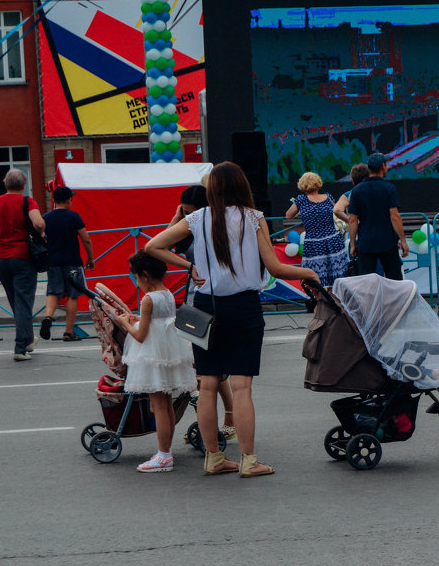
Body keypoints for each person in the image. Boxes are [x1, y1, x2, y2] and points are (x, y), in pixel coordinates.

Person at [143, 161, 322, 477]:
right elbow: (276, 268)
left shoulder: (198, 218)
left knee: (208, 384)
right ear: (242, 187)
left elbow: (152, 245)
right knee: (241, 387)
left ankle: (213, 458)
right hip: (244, 307)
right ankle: (249, 460)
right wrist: (309, 272)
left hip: (205, 307)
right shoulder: (253, 218)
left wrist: (189, 268)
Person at [109, 252, 196, 472]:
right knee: (165, 405)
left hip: (153, 355)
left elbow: (140, 336)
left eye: (136, 278)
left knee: (159, 405)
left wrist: (124, 323)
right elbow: (162, 321)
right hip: (167, 350)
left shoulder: (147, 299)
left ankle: (164, 455)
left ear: (145, 275)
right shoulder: (166, 293)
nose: (137, 283)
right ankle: (165, 452)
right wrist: (139, 319)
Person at [170, 185, 237, 443]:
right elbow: (164, 241)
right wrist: (179, 216)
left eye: (189, 212)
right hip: (194, 300)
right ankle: (216, 423)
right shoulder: (191, 226)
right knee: (205, 366)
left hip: (213, 299)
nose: (186, 217)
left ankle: (227, 420)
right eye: (183, 213)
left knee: (209, 367)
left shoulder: (212, 228)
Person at [0, 168, 46, 361]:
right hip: (23, 257)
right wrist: (40, 231)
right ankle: (19, 348)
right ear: (24, 185)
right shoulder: (28, 201)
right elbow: (39, 224)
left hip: (0, 258)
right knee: (24, 301)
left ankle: (28, 339)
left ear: (5, 184)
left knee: (16, 301)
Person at [39, 186, 94, 342]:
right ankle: (68, 332)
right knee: (73, 295)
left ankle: (48, 317)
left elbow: (41, 237)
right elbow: (86, 239)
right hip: (72, 262)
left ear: (54, 200)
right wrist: (91, 258)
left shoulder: (46, 218)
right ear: (69, 199)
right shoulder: (74, 217)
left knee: (53, 292)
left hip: (53, 262)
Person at [347, 153, 409, 280]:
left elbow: (353, 219)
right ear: (383, 166)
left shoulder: (357, 190)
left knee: (366, 282)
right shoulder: (388, 188)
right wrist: (403, 240)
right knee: (395, 281)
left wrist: (353, 244)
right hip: (388, 242)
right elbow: (395, 217)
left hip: (366, 243)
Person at [286, 171, 348, 288]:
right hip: (333, 240)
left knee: (316, 278)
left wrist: (302, 212)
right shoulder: (328, 197)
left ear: (302, 184)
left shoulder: (301, 200)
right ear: (318, 183)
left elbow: (288, 215)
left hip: (314, 243)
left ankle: (321, 301)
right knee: (337, 275)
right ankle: (337, 300)